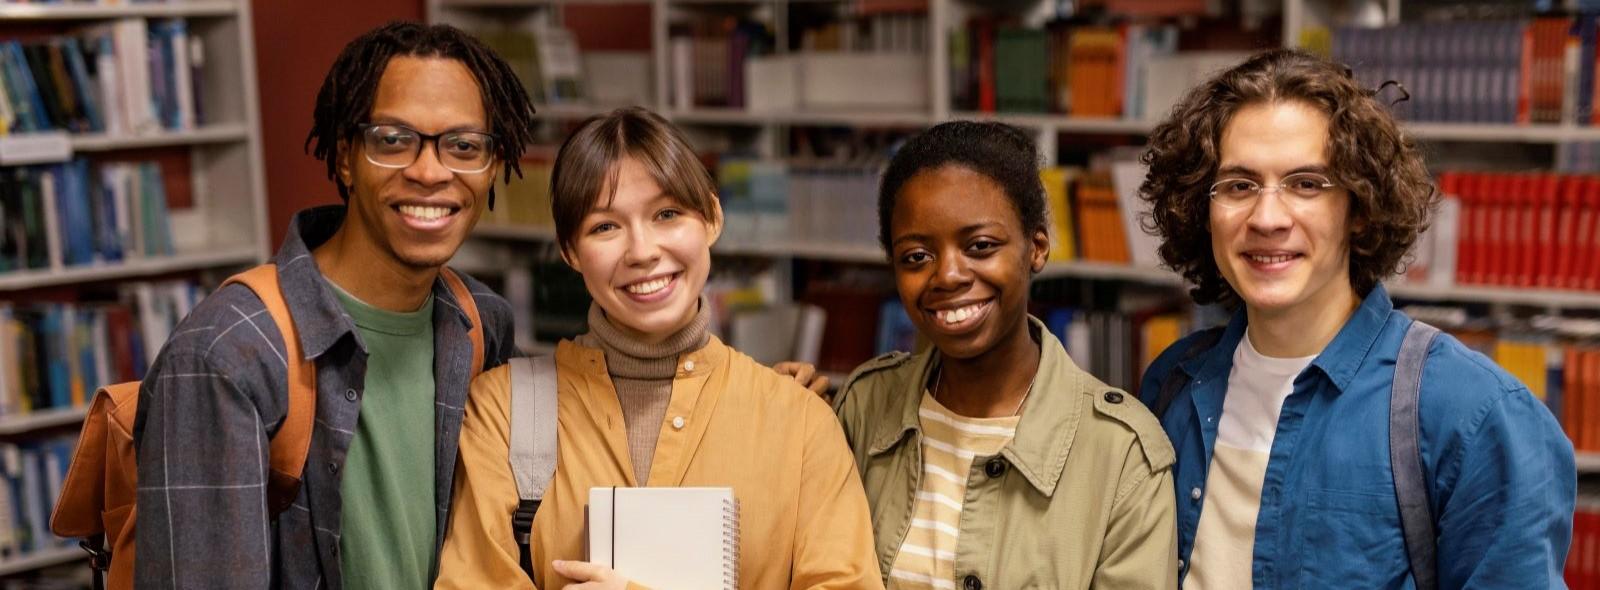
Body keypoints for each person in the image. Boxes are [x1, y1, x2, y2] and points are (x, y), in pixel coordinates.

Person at [1136, 48, 1575, 588]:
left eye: (1306, 184)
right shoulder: (1174, 384)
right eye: (1238, 186)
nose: (1267, 218)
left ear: (1359, 208)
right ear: (1203, 211)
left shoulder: (1472, 415)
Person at [132, 22, 536, 589]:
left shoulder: (482, 324)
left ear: (493, 166)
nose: (429, 171)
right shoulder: (227, 352)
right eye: (393, 140)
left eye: (464, 146)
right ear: (346, 157)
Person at [434, 107, 883, 589]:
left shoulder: (800, 422)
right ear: (570, 252)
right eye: (605, 227)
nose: (643, 252)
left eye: (667, 214)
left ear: (712, 217)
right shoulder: (503, 413)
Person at [828, 121, 1178, 589]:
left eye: (980, 247)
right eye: (916, 257)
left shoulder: (1121, 454)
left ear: (1037, 248)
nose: (947, 275)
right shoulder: (861, 408)